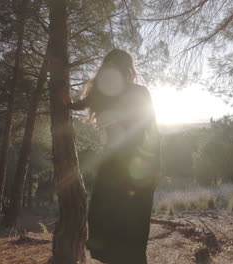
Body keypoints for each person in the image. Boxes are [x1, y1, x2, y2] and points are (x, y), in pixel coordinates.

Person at [69, 49, 161, 264]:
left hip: (137, 164)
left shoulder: (138, 92)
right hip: (118, 164)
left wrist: (157, 166)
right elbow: (77, 104)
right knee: (108, 220)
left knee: (129, 222)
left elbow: (150, 127)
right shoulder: (102, 93)